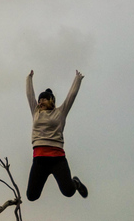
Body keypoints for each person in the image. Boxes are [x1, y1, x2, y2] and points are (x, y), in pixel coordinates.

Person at [25, 70, 88, 202]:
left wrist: (78, 79)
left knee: (68, 192)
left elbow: (71, 96)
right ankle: (72, 183)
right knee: (32, 196)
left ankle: (75, 183)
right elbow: (30, 95)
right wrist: (29, 78)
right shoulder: (36, 112)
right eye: (39, 100)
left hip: (57, 159)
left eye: (44, 99)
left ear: (51, 100)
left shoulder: (60, 113)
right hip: (39, 160)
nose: (40, 102)